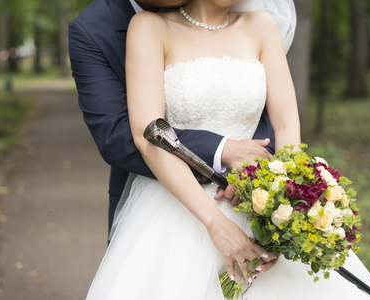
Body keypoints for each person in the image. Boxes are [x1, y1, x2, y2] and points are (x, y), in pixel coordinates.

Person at [84, 0, 370, 299]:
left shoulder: (263, 27)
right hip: (176, 207)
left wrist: (281, 210)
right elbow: (148, 135)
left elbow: (285, 125)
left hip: (250, 201)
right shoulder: (150, 28)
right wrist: (216, 225)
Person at [69, 0, 275, 234]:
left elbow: (264, 109)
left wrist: (258, 170)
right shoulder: (92, 31)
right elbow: (117, 137)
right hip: (158, 203)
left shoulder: (250, 22)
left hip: (251, 196)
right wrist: (222, 152)